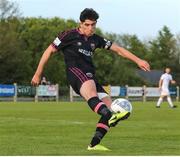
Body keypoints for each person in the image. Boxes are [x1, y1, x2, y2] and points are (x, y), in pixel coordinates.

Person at [31, 8, 150, 151]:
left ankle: (94, 144)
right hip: (75, 74)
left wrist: (138, 60)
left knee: (111, 110)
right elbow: (49, 51)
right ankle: (107, 117)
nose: (91, 28)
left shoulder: (96, 39)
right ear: (80, 23)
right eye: (87, 25)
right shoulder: (68, 35)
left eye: (93, 24)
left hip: (90, 76)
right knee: (104, 110)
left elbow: (119, 49)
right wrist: (38, 73)